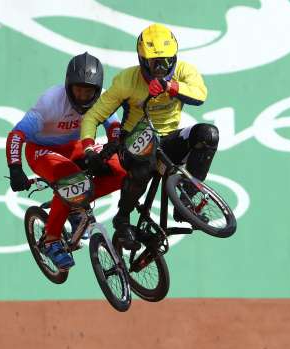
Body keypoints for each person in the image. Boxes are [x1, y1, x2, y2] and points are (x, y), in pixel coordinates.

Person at [79, 23, 219, 250]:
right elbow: (93, 116)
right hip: (133, 140)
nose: (161, 68)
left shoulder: (184, 71)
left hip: (168, 138)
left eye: (166, 61)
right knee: (145, 163)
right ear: (142, 61)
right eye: (154, 63)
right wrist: (87, 148)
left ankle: (186, 202)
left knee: (208, 135)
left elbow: (200, 94)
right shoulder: (126, 81)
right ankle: (122, 219)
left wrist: (170, 86)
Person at [6, 52, 124, 270]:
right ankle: (51, 240)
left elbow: (114, 128)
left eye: (88, 91)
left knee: (122, 170)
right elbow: (16, 135)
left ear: (97, 90)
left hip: (77, 147)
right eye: (78, 90)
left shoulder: (102, 98)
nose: (82, 96)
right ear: (68, 85)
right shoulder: (50, 101)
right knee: (71, 180)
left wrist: (112, 147)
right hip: (41, 150)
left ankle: (74, 204)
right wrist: (15, 168)